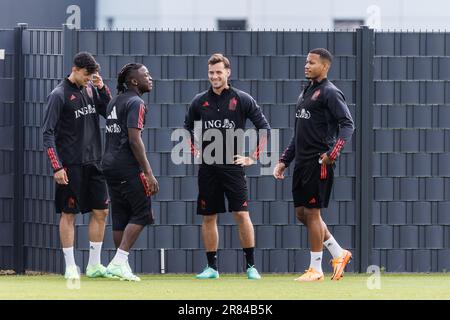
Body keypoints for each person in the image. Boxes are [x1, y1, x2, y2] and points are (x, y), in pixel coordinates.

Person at [184, 53, 270, 280]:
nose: (214, 76)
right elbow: (187, 129)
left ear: (228, 73)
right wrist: (196, 153)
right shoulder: (199, 100)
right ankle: (211, 268)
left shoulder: (242, 99)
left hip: (233, 167)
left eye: (218, 72)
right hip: (208, 168)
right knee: (209, 216)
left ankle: (251, 266)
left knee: (241, 214)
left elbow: (264, 128)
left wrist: (252, 158)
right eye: (211, 72)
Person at [273, 48, 355, 282]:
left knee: (312, 213)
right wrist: (284, 161)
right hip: (301, 163)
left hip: (318, 162)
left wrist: (333, 153)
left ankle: (315, 269)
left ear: (325, 66)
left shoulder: (330, 92)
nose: (306, 66)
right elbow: (298, 133)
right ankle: (339, 253)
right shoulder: (306, 91)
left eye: (312, 63)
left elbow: (348, 125)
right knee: (302, 214)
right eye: (306, 62)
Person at [43, 51, 112, 280]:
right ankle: (70, 265)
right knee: (69, 213)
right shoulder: (59, 95)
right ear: (75, 69)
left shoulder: (91, 89)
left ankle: (94, 265)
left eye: (92, 75)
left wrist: (102, 89)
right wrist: (57, 167)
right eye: (86, 74)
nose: (88, 79)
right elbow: (48, 133)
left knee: (101, 211)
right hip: (71, 165)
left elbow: (109, 112)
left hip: (95, 162)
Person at [101, 63, 158, 281]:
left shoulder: (115, 100)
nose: (150, 78)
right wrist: (148, 173)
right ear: (134, 81)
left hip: (109, 165)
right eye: (146, 75)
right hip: (126, 166)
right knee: (143, 213)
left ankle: (120, 266)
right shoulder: (136, 102)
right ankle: (118, 261)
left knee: (121, 215)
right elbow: (135, 140)